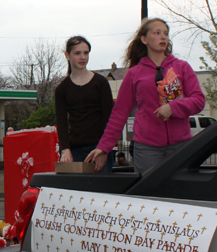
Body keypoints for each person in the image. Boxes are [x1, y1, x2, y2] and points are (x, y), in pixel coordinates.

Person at [85, 18, 205, 173]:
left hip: (180, 146)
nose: (163, 37)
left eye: (166, 33)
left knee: (180, 194)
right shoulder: (134, 74)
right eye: (157, 33)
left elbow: (199, 100)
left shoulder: (182, 67)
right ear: (144, 39)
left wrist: (174, 107)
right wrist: (104, 147)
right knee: (149, 195)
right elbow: (119, 113)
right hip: (147, 149)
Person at [55, 36, 114, 172]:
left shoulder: (101, 83)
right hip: (75, 150)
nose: (82, 57)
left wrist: (104, 150)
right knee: (75, 192)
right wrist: (65, 150)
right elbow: (61, 122)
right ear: (67, 55)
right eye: (77, 53)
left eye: (86, 53)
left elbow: (109, 118)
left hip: (99, 148)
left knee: (101, 191)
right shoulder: (62, 89)